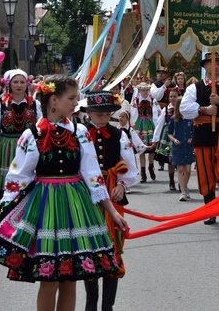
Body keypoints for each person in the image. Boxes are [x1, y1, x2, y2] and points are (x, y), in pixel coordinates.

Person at [0, 75, 129, 311]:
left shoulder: (80, 131)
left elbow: (93, 177)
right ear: (54, 100)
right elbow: (17, 179)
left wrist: (112, 213)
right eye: (72, 98)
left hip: (76, 207)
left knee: (70, 277)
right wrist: (1, 213)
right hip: (45, 208)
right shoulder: (32, 134)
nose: (77, 103)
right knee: (50, 278)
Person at [83, 90, 137, 311]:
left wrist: (122, 186)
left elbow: (131, 167)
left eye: (107, 114)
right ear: (88, 113)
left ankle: (108, 306)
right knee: (90, 248)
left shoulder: (120, 135)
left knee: (112, 248)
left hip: (113, 192)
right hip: (86, 196)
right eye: (98, 114)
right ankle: (90, 304)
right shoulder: (80, 134)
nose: (103, 119)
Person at [179, 52, 219, 225]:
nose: (215, 66)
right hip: (203, 134)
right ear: (205, 66)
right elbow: (184, 109)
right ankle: (210, 211)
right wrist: (204, 110)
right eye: (211, 63)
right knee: (206, 174)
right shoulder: (195, 87)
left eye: (218, 63)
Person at [0, 70, 41, 208]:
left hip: (29, 147)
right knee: (6, 183)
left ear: (27, 84)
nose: (19, 85)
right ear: (9, 84)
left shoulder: (35, 104)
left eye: (22, 82)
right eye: (15, 82)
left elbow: (40, 128)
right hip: (6, 149)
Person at [167, 91, 195, 201]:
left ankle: (185, 186)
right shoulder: (174, 119)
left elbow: (194, 131)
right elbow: (169, 132)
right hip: (178, 146)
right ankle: (183, 192)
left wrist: (192, 139)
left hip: (187, 146)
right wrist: (174, 140)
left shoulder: (190, 119)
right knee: (180, 169)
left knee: (188, 169)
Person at [152, 86, 180, 190]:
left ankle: (181, 182)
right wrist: (155, 140)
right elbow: (159, 124)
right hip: (168, 135)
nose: (173, 98)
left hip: (180, 134)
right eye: (171, 96)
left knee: (180, 161)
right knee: (170, 159)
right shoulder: (165, 110)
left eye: (175, 96)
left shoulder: (183, 108)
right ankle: (171, 181)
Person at [130, 82, 159, 183]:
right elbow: (133, 113)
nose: (145, 92)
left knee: (151, 148)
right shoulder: (136, 100)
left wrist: (157, 124)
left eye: (146, 90)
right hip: (140, 124)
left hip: (150, 123)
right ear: (139, 91)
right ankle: (143, 172)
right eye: (143, 90)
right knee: (141, 149)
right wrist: (132, 125)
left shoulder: (153, 100)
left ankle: (151, 167)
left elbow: (157, 112)